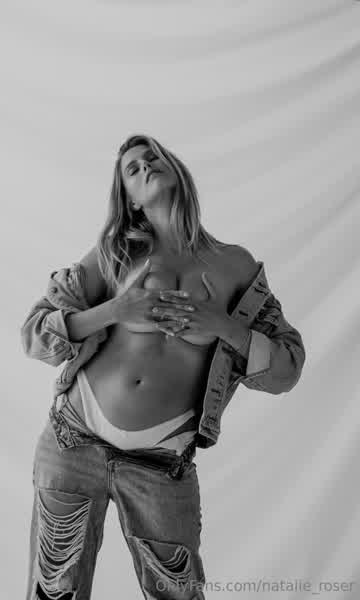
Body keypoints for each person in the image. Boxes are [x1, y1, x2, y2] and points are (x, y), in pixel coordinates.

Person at [21, 134, 306, 600]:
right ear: (130, 199)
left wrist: (223, 326)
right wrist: (117, 310)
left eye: (153, 158)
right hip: (73, 441)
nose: (145, 166)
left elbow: (287, 367)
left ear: (177, 170)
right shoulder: (114, 253)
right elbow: (35, 334)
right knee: (53, 592)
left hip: (161, 464)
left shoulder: (236, 265)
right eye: (132, 169)